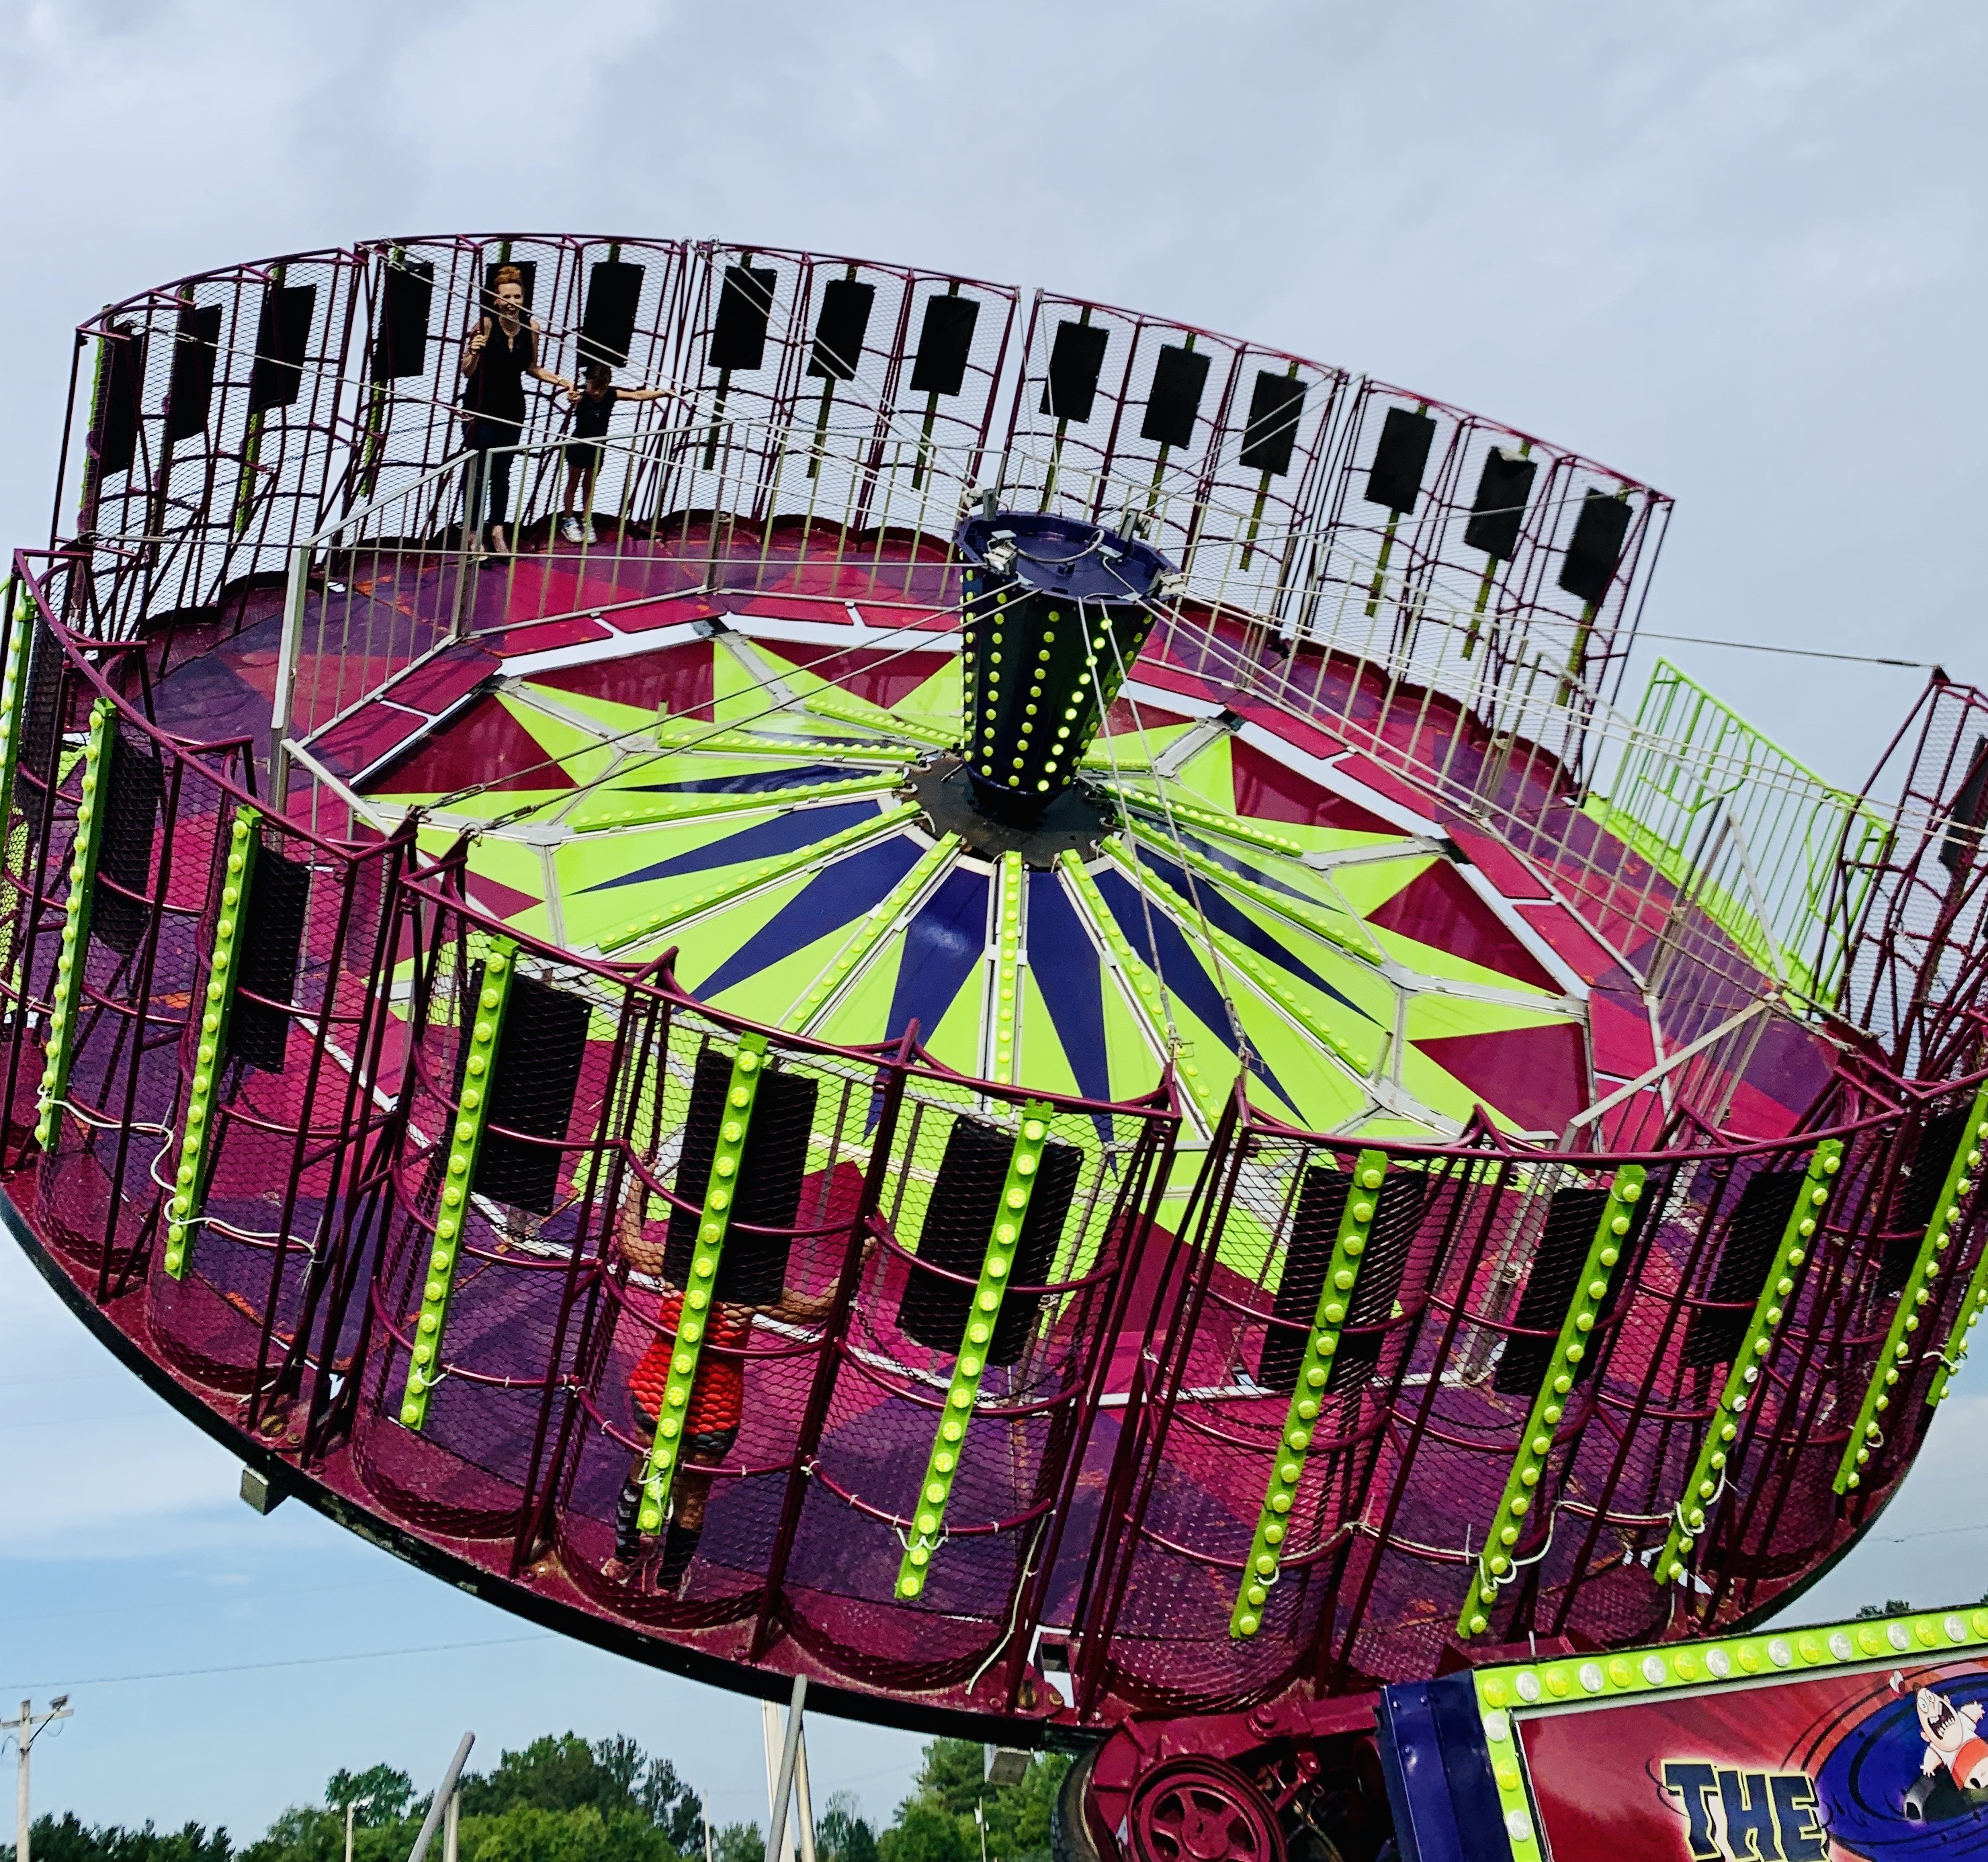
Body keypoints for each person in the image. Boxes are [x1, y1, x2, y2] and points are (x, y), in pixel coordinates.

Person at [606, 1163, 866, 1596]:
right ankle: (637, 1562)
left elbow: (816, 1308)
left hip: (698, 1407)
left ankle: (651, 1571)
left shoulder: (716, 1275)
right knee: (660, 1483)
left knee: (670, 1487)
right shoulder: (721, 1278)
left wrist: (637, 1188)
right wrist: (859, 1255)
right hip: (673, 1400)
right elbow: (817, 1307)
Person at [459, 264, 568, 556]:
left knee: (503, 473)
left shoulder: (531, 328)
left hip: (512, 409)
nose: (512, 303)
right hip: (480, 408)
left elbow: (531, 367)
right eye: (506, 297)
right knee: (478, 472)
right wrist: (473, 350)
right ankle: (472, 533)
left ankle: (497, 531)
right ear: (496, 299)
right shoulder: (485, 325)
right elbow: (467, 372)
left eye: (517, 297)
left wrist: (560, 380)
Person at [559, 363, 675, 545]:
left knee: (589, 485)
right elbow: (572, 398)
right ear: (587, 383)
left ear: (606, 385)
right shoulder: (581, 397)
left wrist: (663, 393)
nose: (595, 392)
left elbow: (637, 395)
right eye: (591, 386)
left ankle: (587, 521)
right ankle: (568, 520)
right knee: (573, 483)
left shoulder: (611, 395)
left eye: (600, 388)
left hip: (597, 448)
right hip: (578, 445)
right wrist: (573, 398)